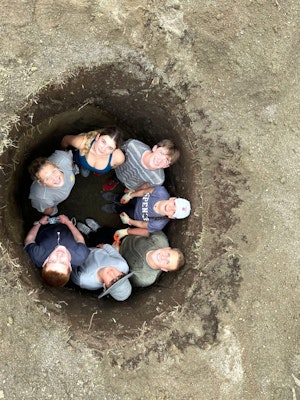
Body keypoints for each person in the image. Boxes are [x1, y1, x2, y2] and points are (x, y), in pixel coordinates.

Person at [76, 219, 185, 288]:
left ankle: (89, 233)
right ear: (167, 248)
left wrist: (115, 252)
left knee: (98, 243)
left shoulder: (145, 278)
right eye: (168, 255)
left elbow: (122, 275)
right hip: (125, 238)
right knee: (107, 232)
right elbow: (148, 231)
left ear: (164, 269)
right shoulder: (161, 240)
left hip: (115, 255)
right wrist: (126, 232)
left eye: (167, 263)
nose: (163, 258)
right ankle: (98, 228)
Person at [24, 214, 90, 287]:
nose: (59, 255)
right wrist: (68, 223)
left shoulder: (37, 256)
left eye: (53, 260)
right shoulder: (80, 256)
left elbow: (29, 240)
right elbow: (79, 239)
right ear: (70, 267)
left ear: (45, 262)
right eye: (63, 262)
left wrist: (39, 223)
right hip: (67, 228)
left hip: (46, 226)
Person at [101, 185, 191, 237]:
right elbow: (144, 192)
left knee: (123, 210)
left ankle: (115, 208)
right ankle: (115, 197)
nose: (171, 208)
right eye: (174, 204)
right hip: (137, 199)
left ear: (171, 217)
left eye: (174, 212)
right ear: (172, 199)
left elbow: (142, 224)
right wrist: (131, 195)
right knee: (122, 198)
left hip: (135, 215)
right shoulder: (161, 192)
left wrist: (129, 221)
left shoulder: (159, 223)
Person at [110, 138, 180, 191]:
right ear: (155, 148)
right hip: (116, 168)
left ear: (166, 166)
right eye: (161, 153)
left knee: (119, 180)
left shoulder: (158, 179)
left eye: (166, 160)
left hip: (129, 184)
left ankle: (115, 181)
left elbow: (146, 186)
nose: (159, 160)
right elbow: (116, 151)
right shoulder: (133, 146)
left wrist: (132, 190)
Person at [60, 126, 125, 178]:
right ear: (97, 137)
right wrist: (63, 153)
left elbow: (114, 166)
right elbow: (65, 139)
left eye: (110, 148)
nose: (103, 149)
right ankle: (86, 168)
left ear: (114, 150)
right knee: (85, 173)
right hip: (79, 161)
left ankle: (95, 170)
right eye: (103, 142)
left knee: (87, 173)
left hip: (86, 165)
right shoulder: (82, 142)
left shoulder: (119, 158)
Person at [28, 150, 77, 216]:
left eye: (53, 171)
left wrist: (74, 169)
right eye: (47, 178)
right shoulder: (41, 198)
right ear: (41, 183)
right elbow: (46, 210)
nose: (55, 178)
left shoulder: (63, 159)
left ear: (57, 166)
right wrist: (54, 212)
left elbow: (70, 163)